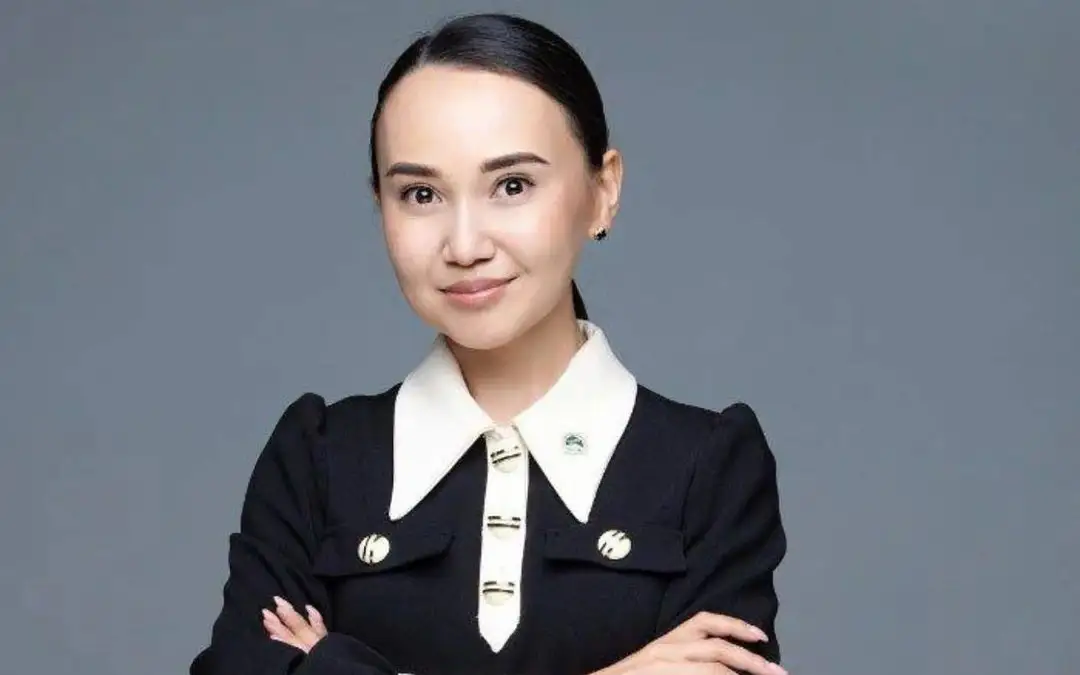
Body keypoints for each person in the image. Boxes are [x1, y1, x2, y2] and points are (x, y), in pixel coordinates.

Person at [190, 12, 787, 675]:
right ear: (380, 205)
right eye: (421, 194)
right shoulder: (317, 460)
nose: (465, 245)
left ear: (602, 191)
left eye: (512, 186)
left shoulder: (709, 469)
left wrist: (331, 664)